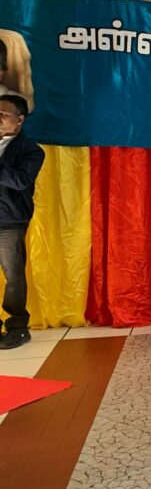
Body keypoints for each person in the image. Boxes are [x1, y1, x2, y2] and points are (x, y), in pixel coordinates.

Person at [0, 94, 44, 349]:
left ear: (19, 120)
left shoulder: (31, 151)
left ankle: (17, 327)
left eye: (3, 114)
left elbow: (20, 181)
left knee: (13, 276)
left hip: (9, 221)